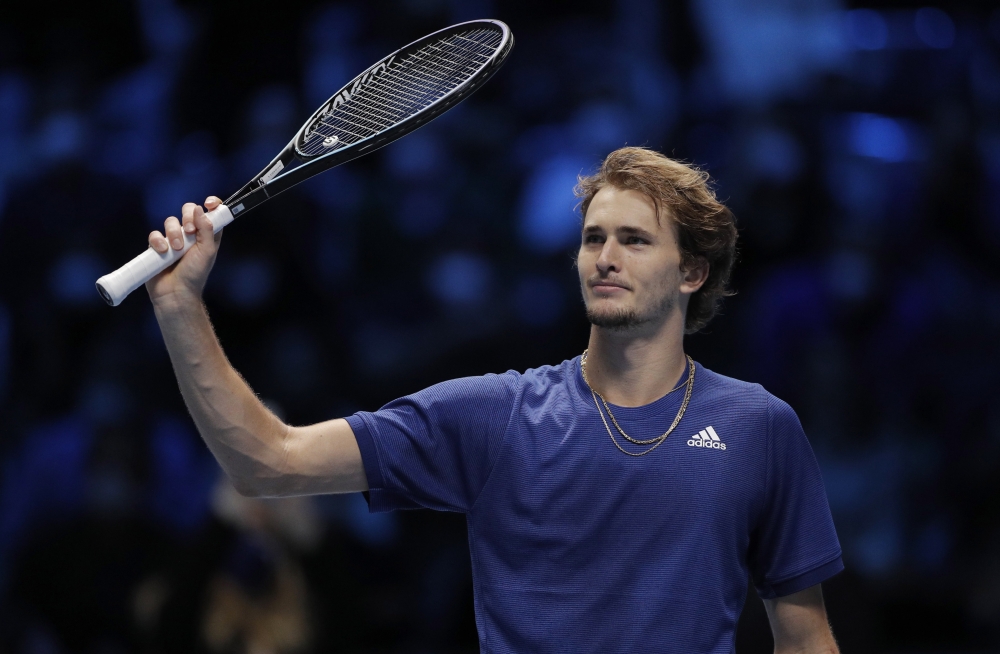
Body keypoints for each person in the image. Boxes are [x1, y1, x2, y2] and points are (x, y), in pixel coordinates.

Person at [147, 146, 843, 653]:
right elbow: (268, 461)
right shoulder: (493, 415)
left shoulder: (760, 427)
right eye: (593, 238)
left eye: (634, 240)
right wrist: (181, 308)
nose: (605, 257)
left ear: (692, 271)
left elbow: (805, 638)